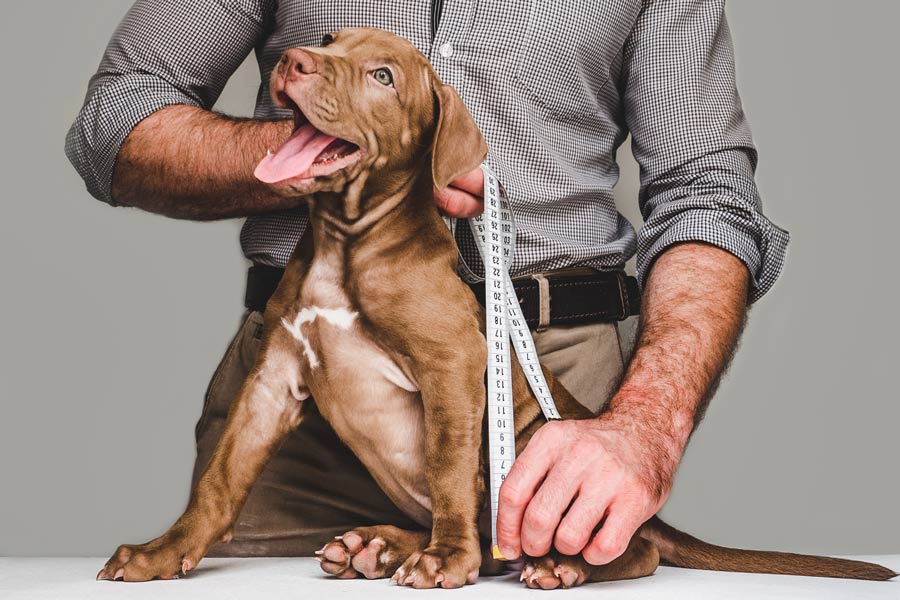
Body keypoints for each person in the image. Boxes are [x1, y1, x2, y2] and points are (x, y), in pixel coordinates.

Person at [66, 0, 788, 567]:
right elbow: (115, 122)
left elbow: (705, 191)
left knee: (568, 568)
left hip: (548, 405)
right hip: (306, 397)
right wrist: (332, 150)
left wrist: (647, 424)